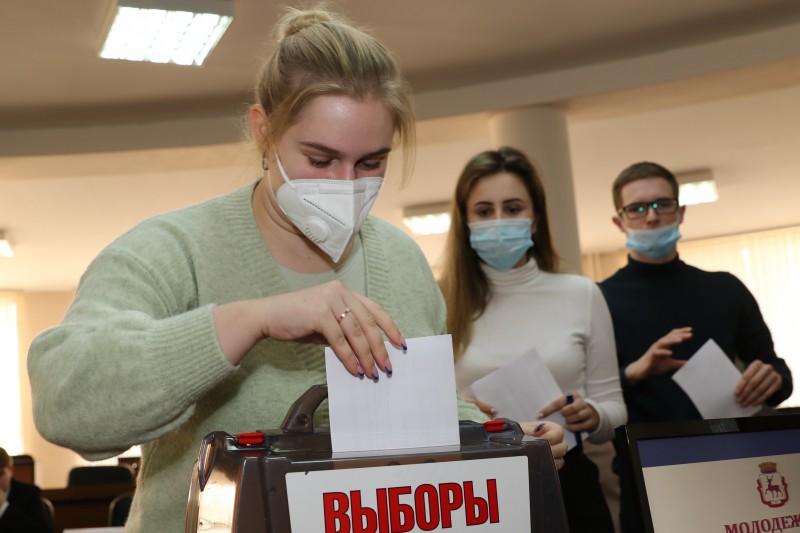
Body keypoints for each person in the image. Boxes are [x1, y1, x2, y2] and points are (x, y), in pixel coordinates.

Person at [27, 9, 566, 532]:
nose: (347, 184)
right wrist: (252, 319)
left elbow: (420, 411)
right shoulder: (171, 250)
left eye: (371, 162)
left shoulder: (402, 260)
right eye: (320, 159)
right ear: (263, 131)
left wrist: (500, 436)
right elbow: (66, 405)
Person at [598, 161, 794, 532]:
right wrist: (635, 372)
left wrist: (772, 380)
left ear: (681, 211)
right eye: (637, 208)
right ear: (619, 221)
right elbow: (591, 400)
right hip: (647, 472)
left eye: (662, 204)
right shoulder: (599, 300)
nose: (652, 216)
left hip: (731, 464)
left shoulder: (725, 289)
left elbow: (779, 375)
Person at [439, 147, 626, 533]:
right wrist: (463, 414)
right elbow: (421, 416)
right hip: (477, 492)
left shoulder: (581, 293)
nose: (499, 221)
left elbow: (615, 408)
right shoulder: (439, 301)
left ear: (535, 218)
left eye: (512, 208)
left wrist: (592, 415)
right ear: (465, 221)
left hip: (569, 481)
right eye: (484, 211)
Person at [0, 447, 49, 533]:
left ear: (11, 469)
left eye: (0, 474)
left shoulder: (30, 493)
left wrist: (4, 507)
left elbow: (40, 530)